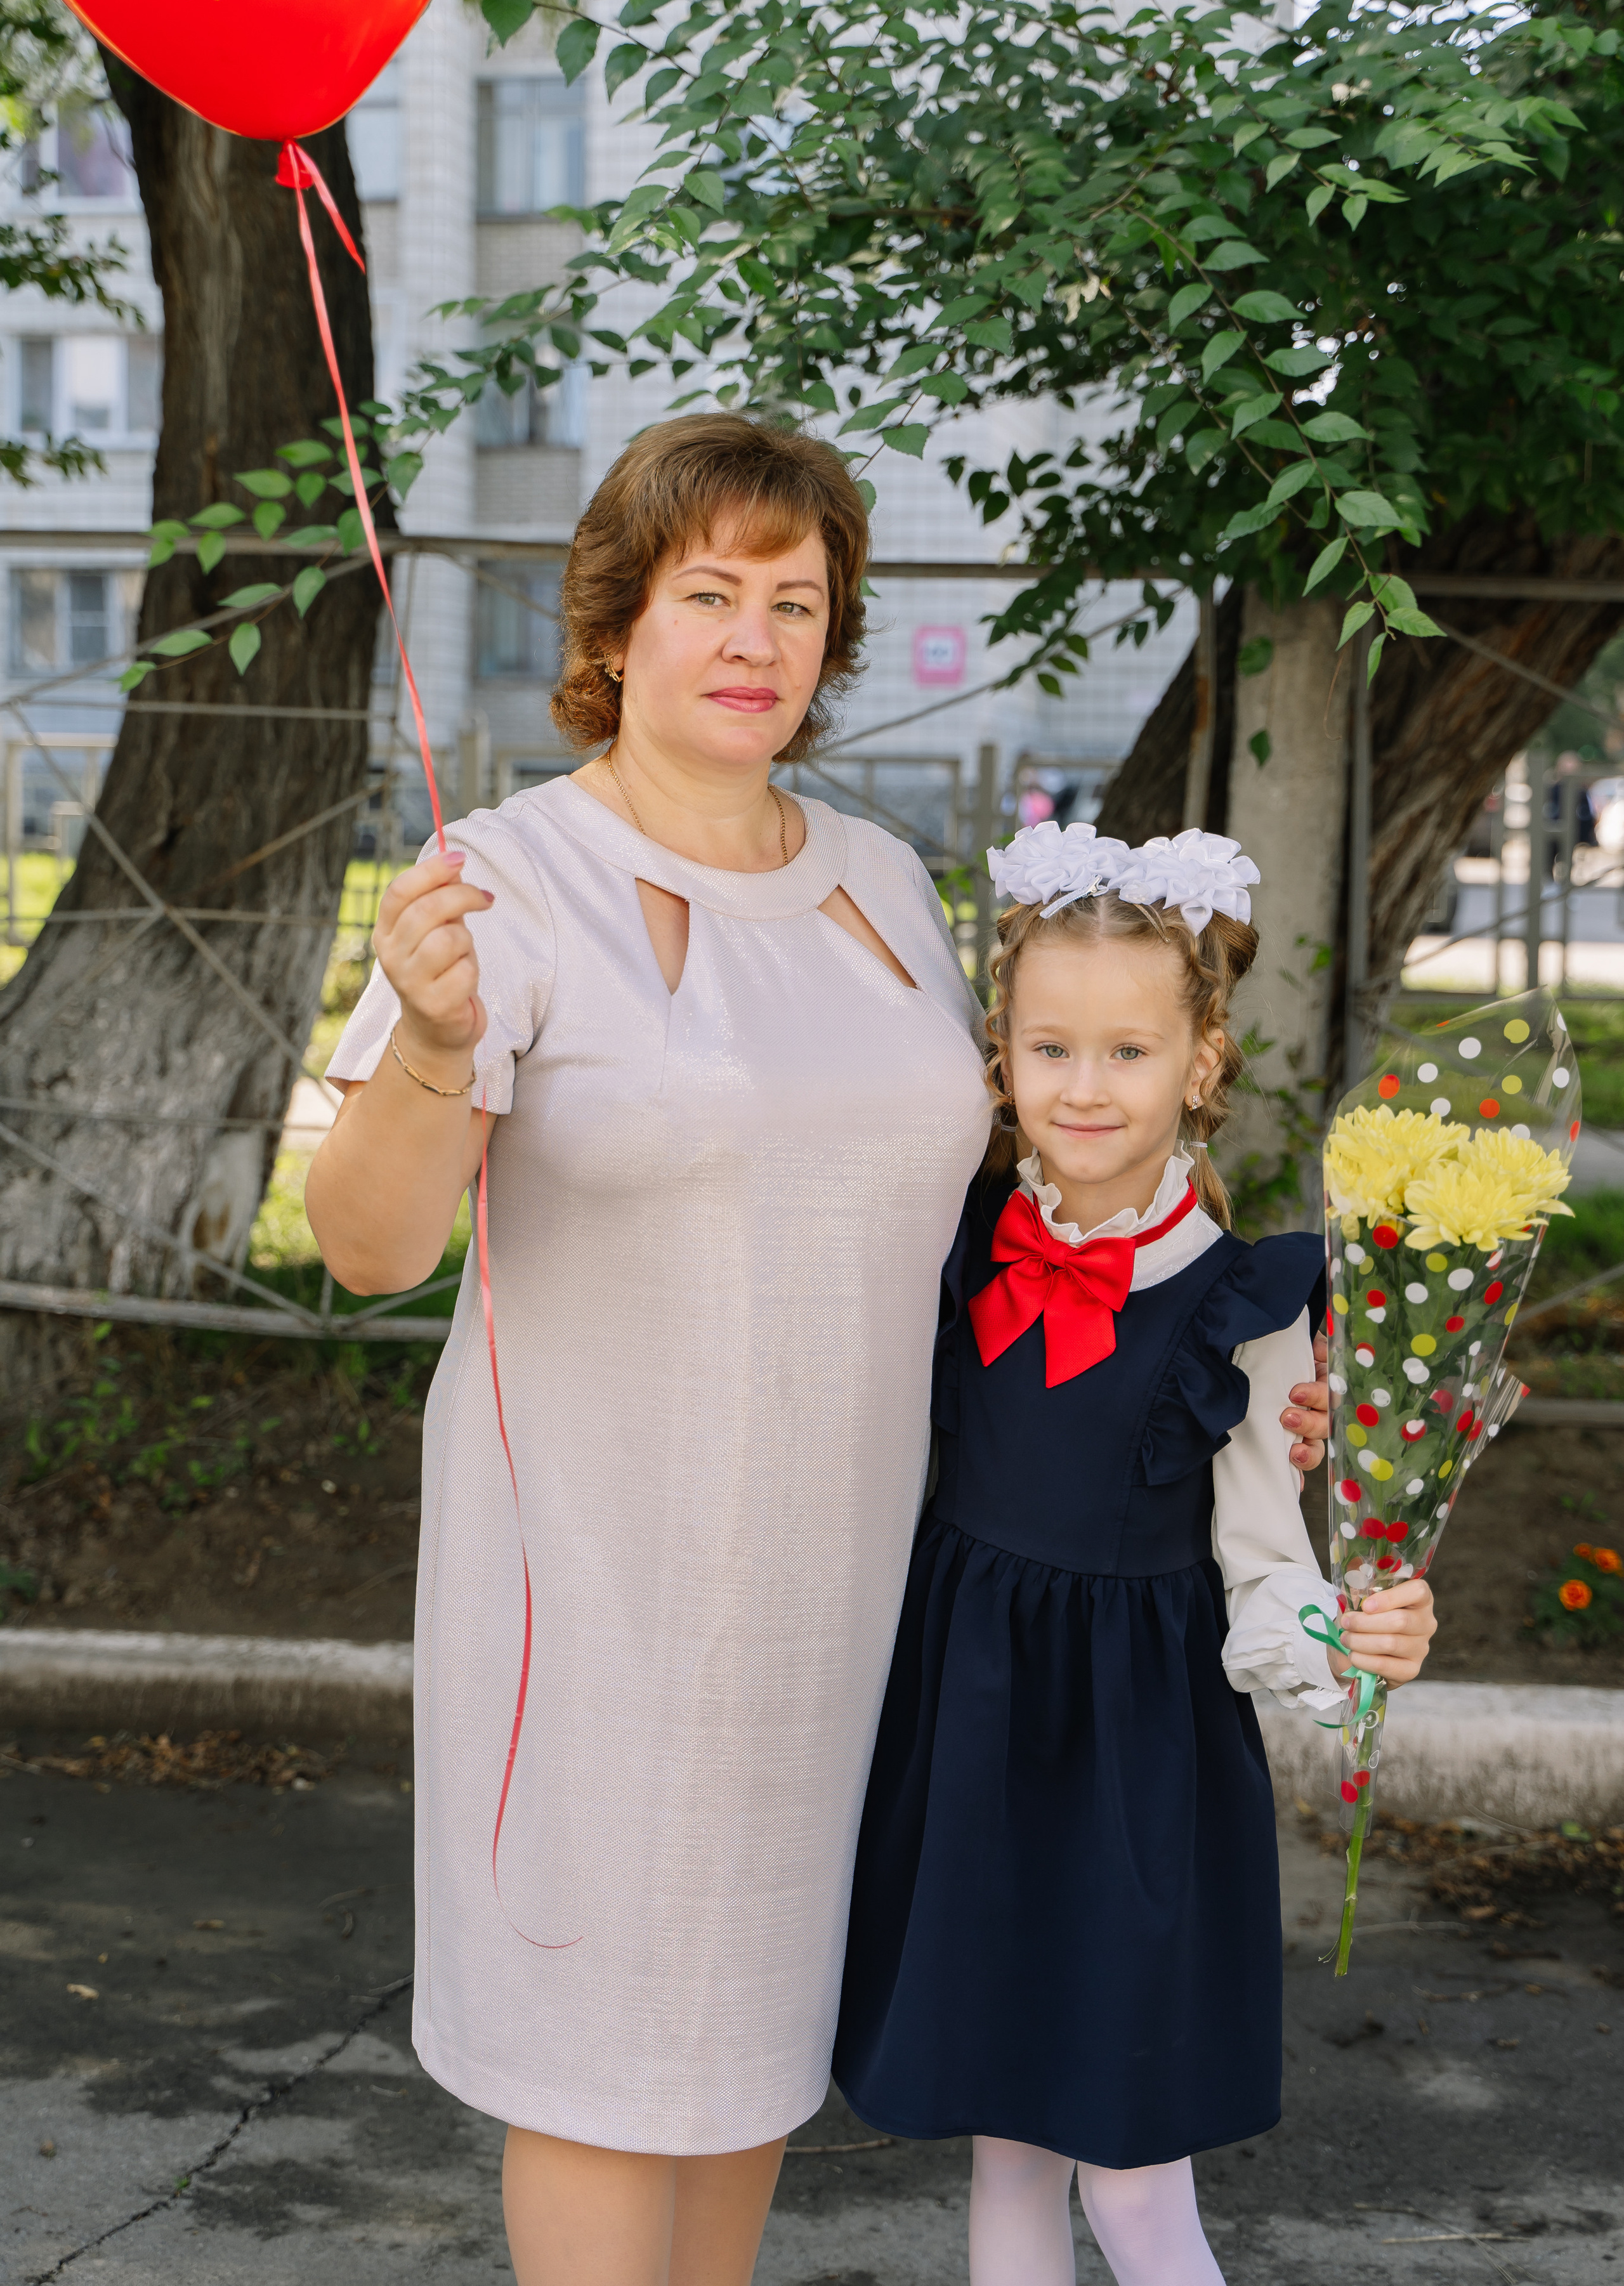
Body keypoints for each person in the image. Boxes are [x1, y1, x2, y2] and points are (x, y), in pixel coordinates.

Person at [303, 414, 1333, 2286]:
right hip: (595, 1602)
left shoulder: (882, 880)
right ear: (617, 623)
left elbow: (1004, 1236)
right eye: (709, 592)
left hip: (855, 1608)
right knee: (605, 2070)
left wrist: (1229, 1392)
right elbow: (368, 1252)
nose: (753, 637)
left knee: (745, 2064)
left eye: (795, 600)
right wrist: (435, 1048)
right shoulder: (503, 882)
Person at [832, 825, 1437, 2286]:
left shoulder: (1246, 1307)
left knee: (1133, 2184)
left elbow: (1262, 1560)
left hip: (1130, 1782)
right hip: (967, 1750)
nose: (1084, 1088)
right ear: (999, 1057)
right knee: (1003, 2157)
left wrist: (1350, 1648)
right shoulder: (952, 1241)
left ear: (1199, 1063)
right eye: (1048, 1048)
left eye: (1127, 1051)